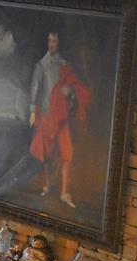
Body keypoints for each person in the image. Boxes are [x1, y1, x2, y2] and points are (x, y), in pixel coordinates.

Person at [28, 31, 91, 210]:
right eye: (49, 40)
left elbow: (73, 89)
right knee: (47, 154)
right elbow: (35, 89)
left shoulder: (65, 66)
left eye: (54, 40)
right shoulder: (40, 66)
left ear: (59, 43)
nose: (51, 43)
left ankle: (64, 192)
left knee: (66, 154)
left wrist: (69, 92)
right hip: (45, 116)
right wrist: (33, 112)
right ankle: (48, 184)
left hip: (61, 117)